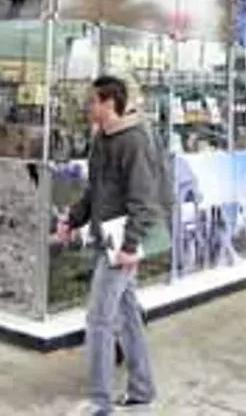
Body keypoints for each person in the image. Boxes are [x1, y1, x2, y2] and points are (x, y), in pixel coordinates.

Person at [53, 76, 158, 416]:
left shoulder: (135, 141)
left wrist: (130, 245)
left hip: (120, 246)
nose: (87, 106)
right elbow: (94, 191)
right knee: (127, 316)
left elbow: (144, 198)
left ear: (109, 102)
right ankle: (142, 389)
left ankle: (100, 403)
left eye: (92, 101)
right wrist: (72, 220)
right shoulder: (101, 139)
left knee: (99, 320)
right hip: (106, 239)